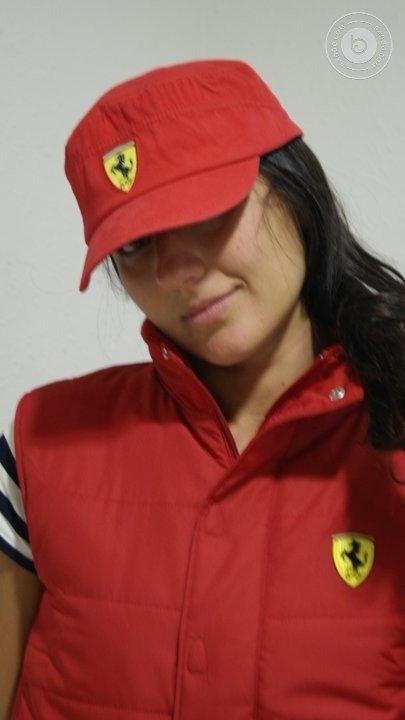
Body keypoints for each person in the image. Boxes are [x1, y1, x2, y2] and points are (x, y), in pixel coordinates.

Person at [1, 57, 404, 720]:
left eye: (208, 209)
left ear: (296, 191)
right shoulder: (42, 440)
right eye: (135, 246)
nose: (174, 271)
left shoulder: (392, 438)